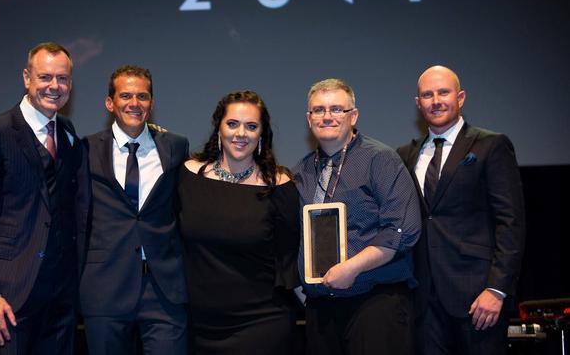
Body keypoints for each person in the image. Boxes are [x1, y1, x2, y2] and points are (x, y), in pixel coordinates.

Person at [0, 42, 88, 354]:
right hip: (11, 294)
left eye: (63, 79)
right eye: (45, 77)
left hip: (61, 296)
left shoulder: (68, 132)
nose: (54, 86)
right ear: (26, 78)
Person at [396, 65, 526, 355]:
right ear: (418, 103)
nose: (436, 100)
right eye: (427, 95)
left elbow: (511, 222)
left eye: (443, 92)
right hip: (424, 301)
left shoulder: (490, 145)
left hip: (478, 297)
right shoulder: (405, 154)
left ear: (461, 97)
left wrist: (497, 289)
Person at [293, 78, 421, 355]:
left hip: (374, 305)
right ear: (308, 118)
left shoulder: (380, 160)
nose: (327, 116)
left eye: (337, 109)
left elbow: (402, 229)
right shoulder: (302, 172)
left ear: (354, 115)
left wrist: (352, 268)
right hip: (321, 310)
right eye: (319, 110)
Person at [177, 90, 300, 354]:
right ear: (218, 128)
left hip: (262, 323)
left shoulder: (280, 186)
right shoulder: (187, 176)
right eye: (232, 123)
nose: (240, 133)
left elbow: (289, 256)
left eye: (251, 126)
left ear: (262, 134)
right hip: (198, 325)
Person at [79, 65, 189, 355]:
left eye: (142, 96)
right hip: (105, 287)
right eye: (126, 95)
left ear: (151, 103)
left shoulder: (176, 146)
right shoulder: (85, 149)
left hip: (163, 287)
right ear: (110, 102)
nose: (134, 103)